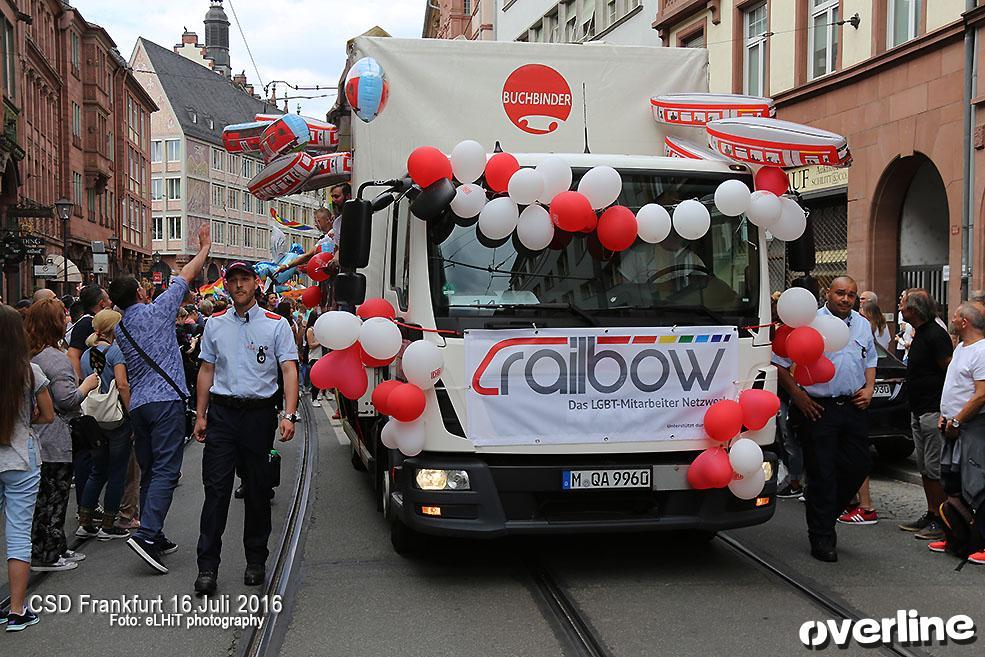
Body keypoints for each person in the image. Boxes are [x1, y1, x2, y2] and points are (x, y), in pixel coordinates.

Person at [192, 261, 299, 595]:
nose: (239, 285)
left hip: (258, 415)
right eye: (233, 280)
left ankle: (256, 560)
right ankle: (207, 566)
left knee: (256, 491)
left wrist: (289, 414)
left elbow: (289, 369)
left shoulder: (275, 324)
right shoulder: (214, 325)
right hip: (223, 415)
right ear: (227, 285)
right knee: (216, 491)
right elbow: (206, 369)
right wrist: (200, 414)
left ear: (256, 284)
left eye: (245, 279)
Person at [110, 224, 211, 574]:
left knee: (151, 469)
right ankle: (148, 533)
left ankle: (157, 530)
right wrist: (204, 248)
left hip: (138, 406)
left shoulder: (119, 328)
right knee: (168, 469)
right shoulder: (158, 311)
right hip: (166, 401)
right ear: (139, 292)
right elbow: (186, 274)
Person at [773, 276, 878, 562]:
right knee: (822, 472)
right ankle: (822, 537)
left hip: (853, 406)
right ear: (827, 293)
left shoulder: (862, 324)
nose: (846, 299)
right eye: (840, 293)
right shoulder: (807, 321)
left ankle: (826, 513)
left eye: (852, 295)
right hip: (817, 408)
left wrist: (869, 388)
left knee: (860, 464)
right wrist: (798, 396)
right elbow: (779, 364)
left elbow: (870, 360)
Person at [25, 299, 100, 572]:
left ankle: (55, 547)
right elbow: (67, 400)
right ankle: (48, 554)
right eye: (62, 316)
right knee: (53, 497)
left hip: (34, 437)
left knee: (43, 497)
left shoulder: (30, 354)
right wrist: (88, 386)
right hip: (54, 437)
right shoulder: (55, 359)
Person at [0, 305, 54, 631]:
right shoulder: (30, 371)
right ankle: (17, 611)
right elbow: (48, 415)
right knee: (19, 535)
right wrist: (24, 420)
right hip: (21, 457)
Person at [891, 290, 953, 541]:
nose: (900, 307)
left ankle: (943, 519)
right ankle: (931, 513)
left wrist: (946, 410)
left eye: (903, 305)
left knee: (934, 468)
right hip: (918, 409)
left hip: (932, 410)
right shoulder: (920, 333)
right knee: (925, 467)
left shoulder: (936, 335)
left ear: (913, 311)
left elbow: (949, 372)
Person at [927, 302, 985, 564]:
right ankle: (957, 538)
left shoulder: (982, 351)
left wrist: (959, 421)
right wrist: (946, 414)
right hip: (952, 426)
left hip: (971, 427)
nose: (950, 318)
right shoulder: (961, 347)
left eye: (955, 316)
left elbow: (981, 394)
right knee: (953, 484)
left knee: (977, 485)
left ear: (964, 322)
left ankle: (982, 543)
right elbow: (955, 386)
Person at [76, 309, 133, 541]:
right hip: (116, 418)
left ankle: (85, 521)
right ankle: (109, 525)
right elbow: (122, 384)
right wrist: (133, 414)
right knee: (117, 471)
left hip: (94, 418)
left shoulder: (85, 354)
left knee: (97, 470)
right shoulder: (115, 352)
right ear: (113, 329)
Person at [66, 285, 112, 378]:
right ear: (102, 303)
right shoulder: (86, 324)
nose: (111, 302)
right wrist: (81, 381)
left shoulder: (95, 322)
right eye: (108, 299)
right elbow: (72, 355)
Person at [305, 310, 324, 406]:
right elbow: (311, 345)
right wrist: (321, 341)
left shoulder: (320, 329)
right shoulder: (310, 330)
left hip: (322, 356)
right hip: (314, 356)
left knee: (321, 377)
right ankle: (314, 398)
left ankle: (319, 393)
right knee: (316, 378)